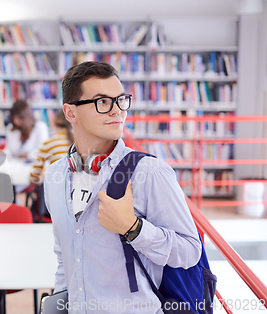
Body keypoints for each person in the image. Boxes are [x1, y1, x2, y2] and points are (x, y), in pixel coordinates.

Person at [44, 61, 201, 313]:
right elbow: (66, 257)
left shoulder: (149, 173)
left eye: (121, 100)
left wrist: (133, 228)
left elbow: (190, 251)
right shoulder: (55, 177)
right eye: (103, 102)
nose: (117, 111)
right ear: (70, 112)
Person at [29, 110, 73, 184]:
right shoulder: (79, 142)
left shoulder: (49, 143)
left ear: (55, 124)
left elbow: (34, 176)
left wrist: (45, 174)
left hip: (57, 188)